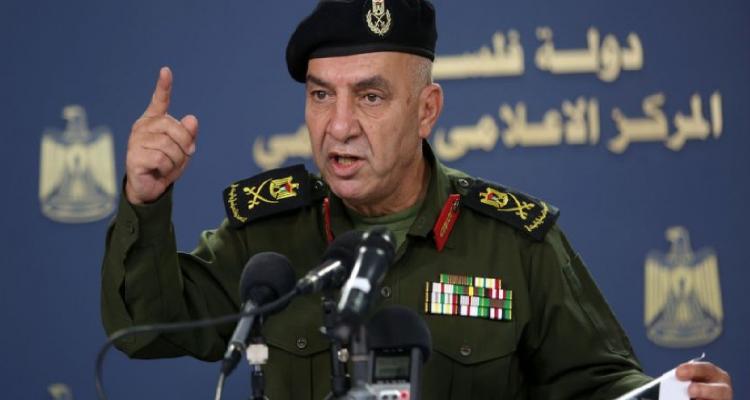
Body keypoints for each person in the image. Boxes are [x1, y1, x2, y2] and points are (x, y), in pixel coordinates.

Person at [101, 1, 733, 399]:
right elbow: (144, 329)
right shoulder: (266, 238)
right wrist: (145, 199)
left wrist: (672, 395)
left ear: (426, 110)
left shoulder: (515, 243)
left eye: (370, 97)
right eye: (321, 95)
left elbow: (599, 384)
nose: (338, 126)